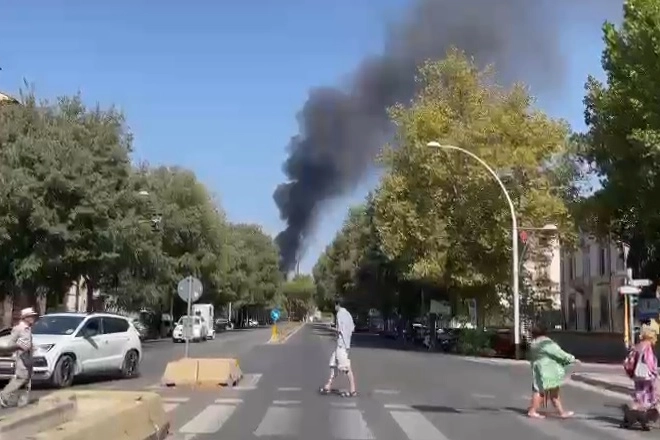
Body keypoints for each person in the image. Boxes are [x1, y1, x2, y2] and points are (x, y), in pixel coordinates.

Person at [527, 325, 577, 419]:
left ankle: (561, 412)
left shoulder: (534, 343)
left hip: (538, 368)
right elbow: (558, 353)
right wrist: (571, 358)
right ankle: (532, 411)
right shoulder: (546, 343)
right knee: (543, 391)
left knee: (547, 390)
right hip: (548, 370)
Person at [0, 307, 38, 408]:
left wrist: (32, 347)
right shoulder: (19, 328)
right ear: (25, 318)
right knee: (21, 378)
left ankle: (23, 401)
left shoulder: (27, 328)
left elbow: (27, 342)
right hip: (22, 358)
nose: (33, 318)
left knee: (28, 379)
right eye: (31, 316)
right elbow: (11, 343)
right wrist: (19, 346)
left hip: (28, 358)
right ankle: (4, 395)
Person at [319, 299, 356, 397]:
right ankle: (328, 385)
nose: (334, 307)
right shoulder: (348, 314)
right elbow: (352, 328)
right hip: (345, 343)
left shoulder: (340, 314)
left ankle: (353, 389)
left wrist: (332, 329)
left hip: (341, 344)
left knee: (345, 367)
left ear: (338, 305)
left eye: (335, 305)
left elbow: (340, 330)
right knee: (333, 364)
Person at [628, 324, 658, 410]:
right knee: (648, 391)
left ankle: (635, 408)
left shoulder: (638, 346)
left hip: (636, 374)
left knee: (639, 391)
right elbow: (649, 360)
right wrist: (654, 372)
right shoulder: (647, 346)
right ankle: (645, 410)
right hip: (646, 374)